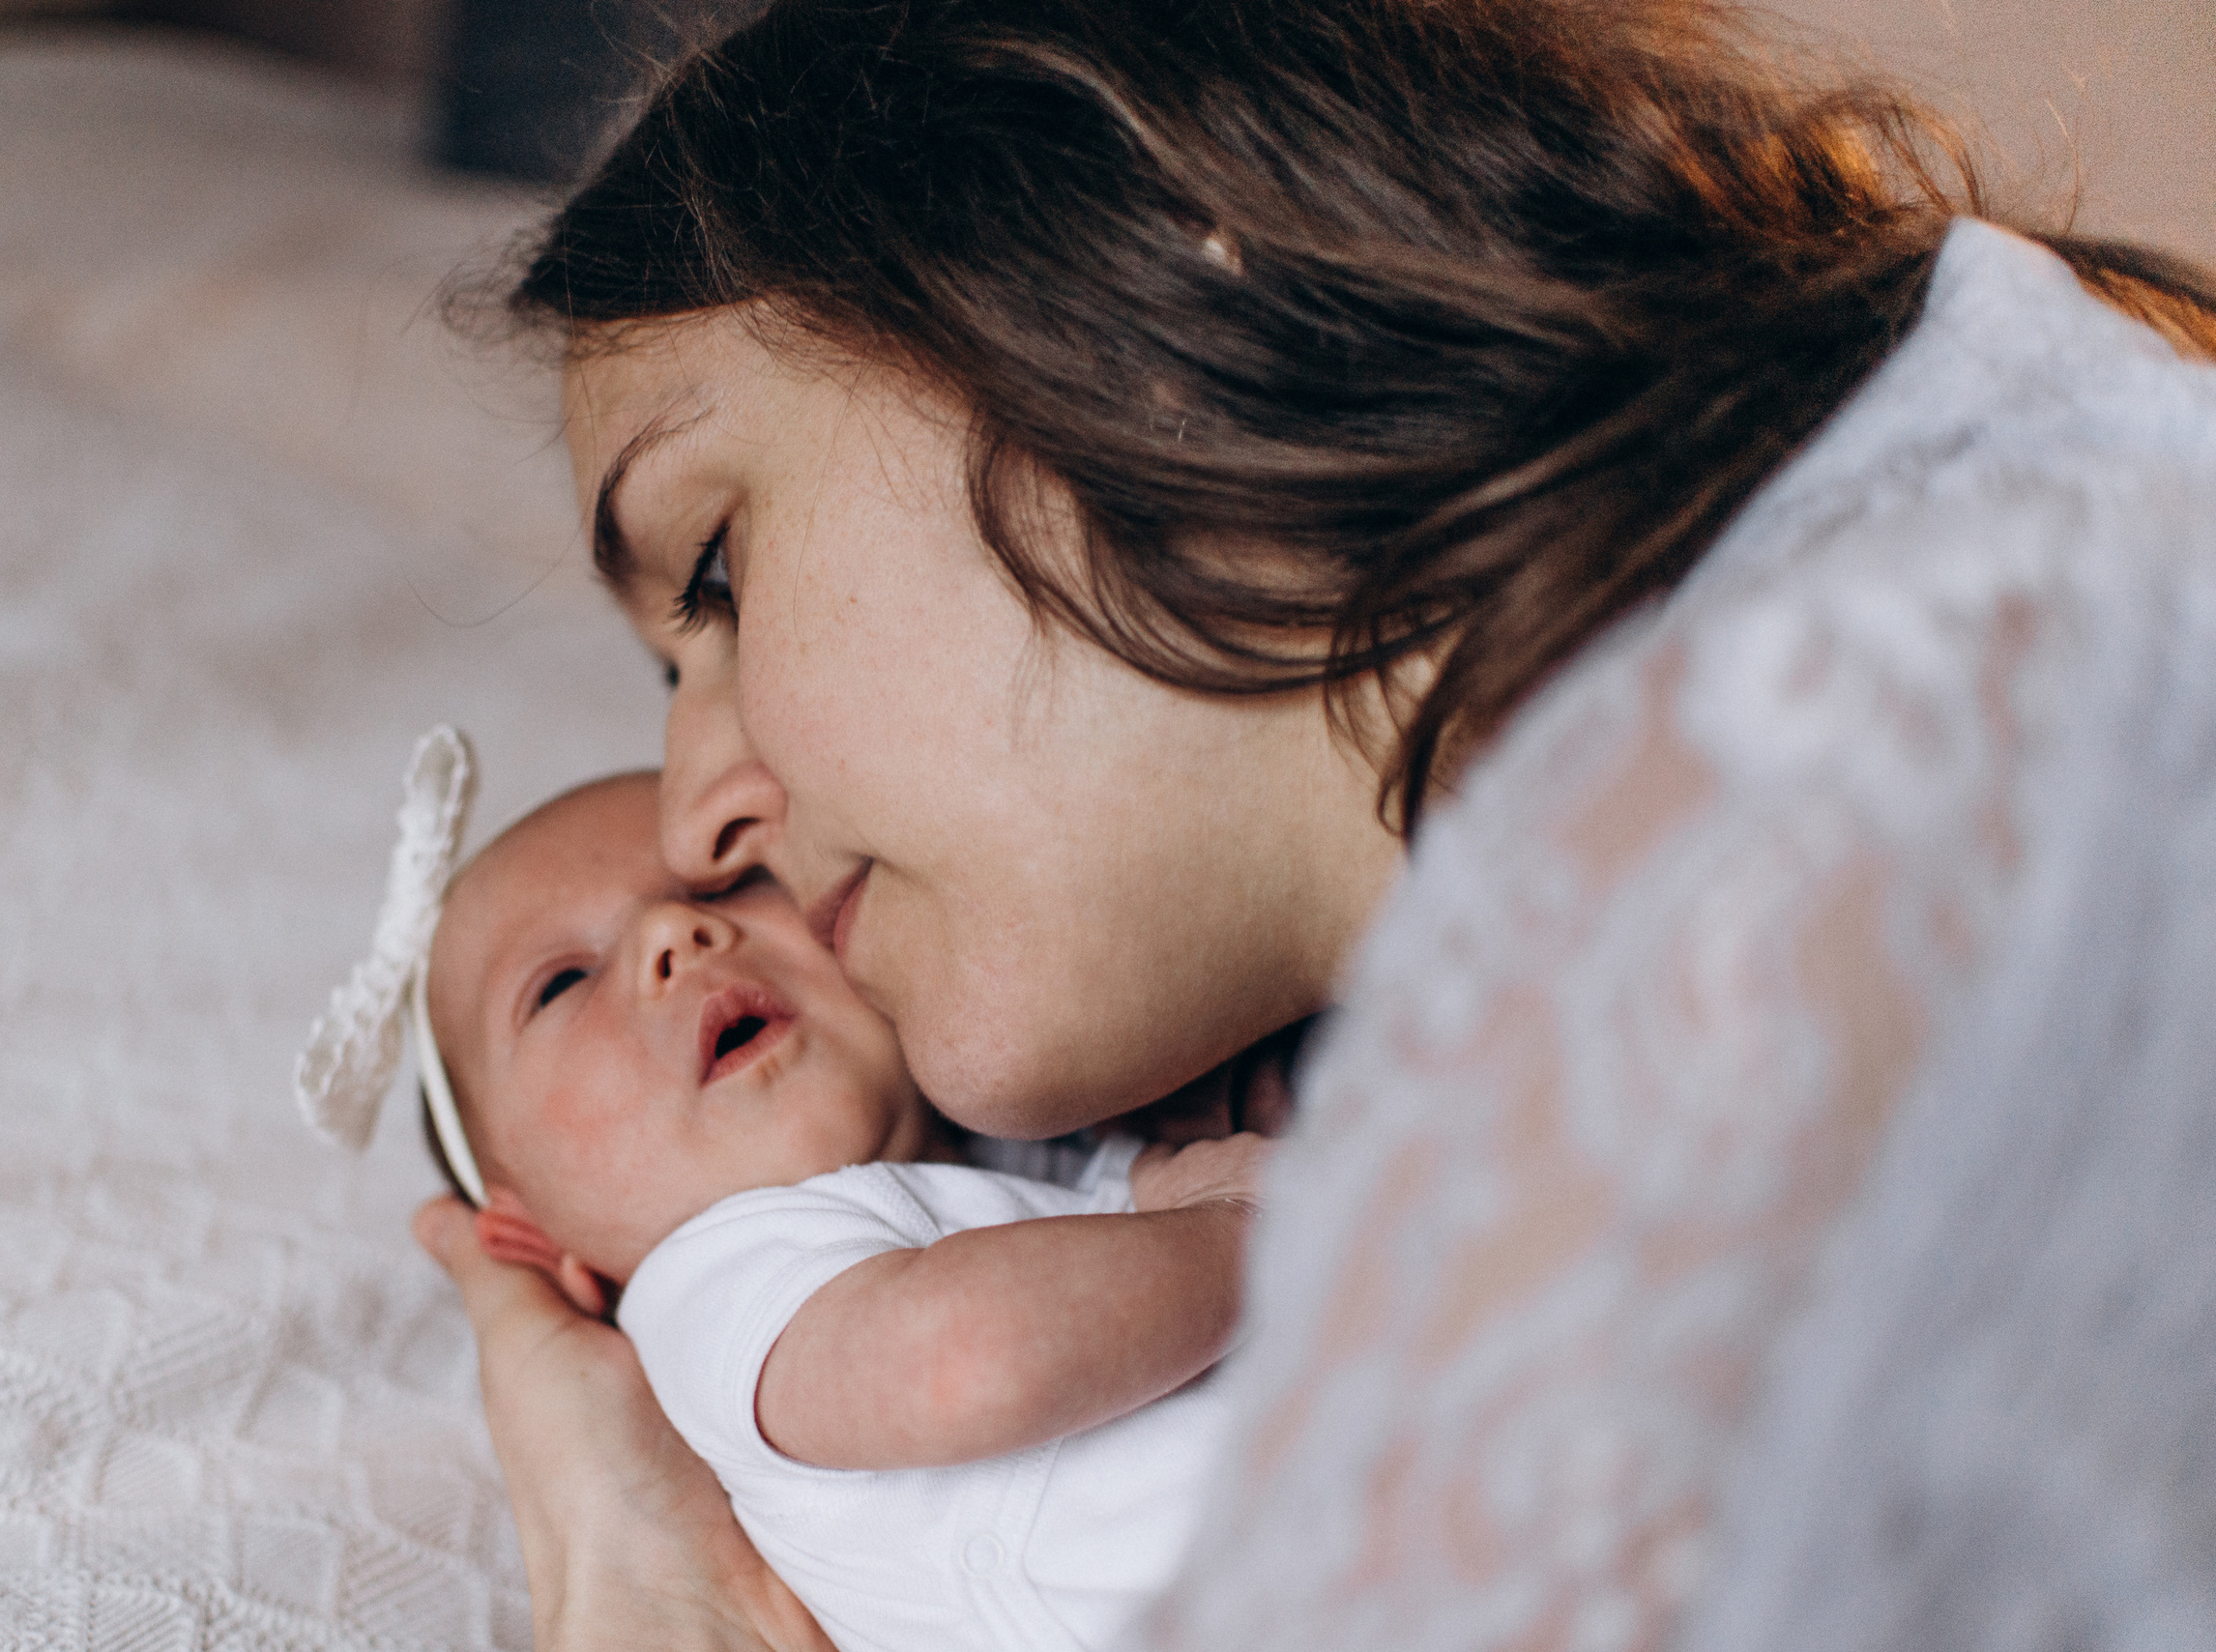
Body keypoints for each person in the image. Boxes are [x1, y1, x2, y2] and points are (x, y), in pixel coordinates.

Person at [411, 0, 2216, 1647]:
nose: (694, 814)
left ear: (1093, 273)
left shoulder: (1937, 754)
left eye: (716, 571)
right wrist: (661, 1549)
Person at [415, 768, 1257, 1652]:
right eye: (560, 984)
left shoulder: (1022, 1145)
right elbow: (969, 1359)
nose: (676, 930)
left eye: (731, 883)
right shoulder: (712, 1286)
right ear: (536, 1238)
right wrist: (1248, 1221)